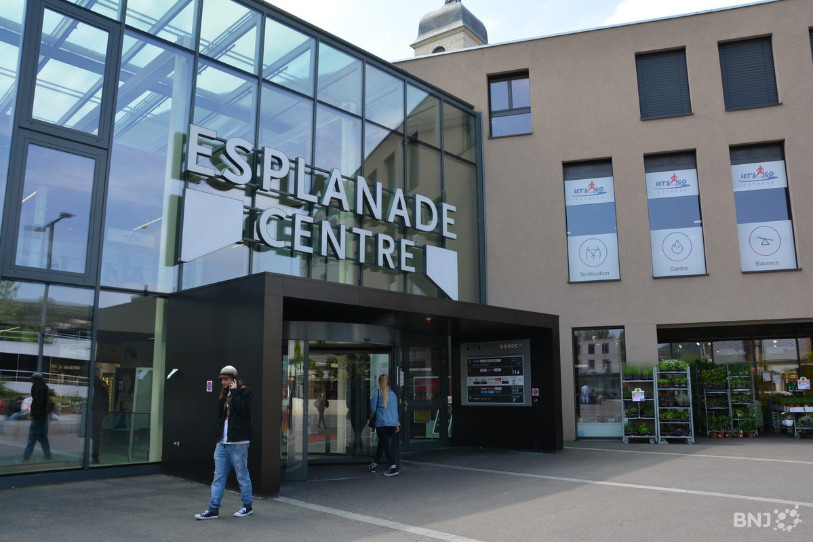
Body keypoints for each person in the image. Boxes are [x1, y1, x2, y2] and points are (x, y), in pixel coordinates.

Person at [195, 365, 255, 520]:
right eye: (222, 379)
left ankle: (247, 507)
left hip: (238, 444)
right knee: (218, 477)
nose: (223, 382)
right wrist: (217, 440)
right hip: (223, 444)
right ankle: (213, 509)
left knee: (242, 476)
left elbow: (243, 411)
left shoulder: (245, 392)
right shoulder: (223, 395)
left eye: (226, 379)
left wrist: (235, 393)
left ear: (234, 379)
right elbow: (220, 419)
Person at [368, 373, 400, 477]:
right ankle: (374, 464)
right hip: (392, 424)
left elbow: (373, 409)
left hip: (381, 424)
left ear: (379, 382)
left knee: (385, 445)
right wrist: (396, 424)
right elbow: (395, 410)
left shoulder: (377, 393)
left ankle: (393, 467)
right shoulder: (393, 394)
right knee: (382, 444)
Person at [19, 372, 51, 462]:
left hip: (38, 416)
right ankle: (48, 455)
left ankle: (26, 457)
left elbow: (39, 404)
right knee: (42, 437)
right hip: (42, 416)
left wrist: (36, 415)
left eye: (33, 379)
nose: (31, 380)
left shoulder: (38, 388)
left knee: (32, 437)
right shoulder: (44, 387)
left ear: (36, 379)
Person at [91, 373, 109, 464]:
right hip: (98, 412)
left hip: (88, 412)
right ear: (98, 373)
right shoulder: (102, 383)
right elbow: (106, 399)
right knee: (96, 435)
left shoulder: (88, 382)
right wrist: (105, 412)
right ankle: (95, 457)